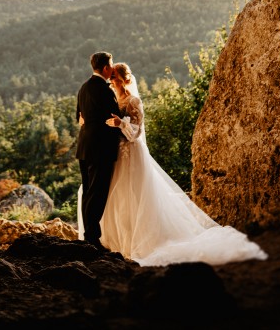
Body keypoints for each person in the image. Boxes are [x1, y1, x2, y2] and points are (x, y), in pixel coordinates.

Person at [92, 61, 268, 266]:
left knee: (135, 196)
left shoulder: (133, 101)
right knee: (120, 197)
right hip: (117, 153)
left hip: (132, 153)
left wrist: (121, 123)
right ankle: (119, 242)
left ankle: (139, 242)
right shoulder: (114, 99)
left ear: (124, 79)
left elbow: (137, 132)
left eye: (114, 77)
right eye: (111, 76)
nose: (111, 80)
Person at [75, 51, 122, 250]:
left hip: (84, 147)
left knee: (88, 192)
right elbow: (115, 118)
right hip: (100, 149)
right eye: (111, 65)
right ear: (106, 68)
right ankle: (92, 239)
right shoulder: (105, 90)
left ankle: (89, 236)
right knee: (97, 194)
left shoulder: (83, 88)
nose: (112, 69)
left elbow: (79, 117)